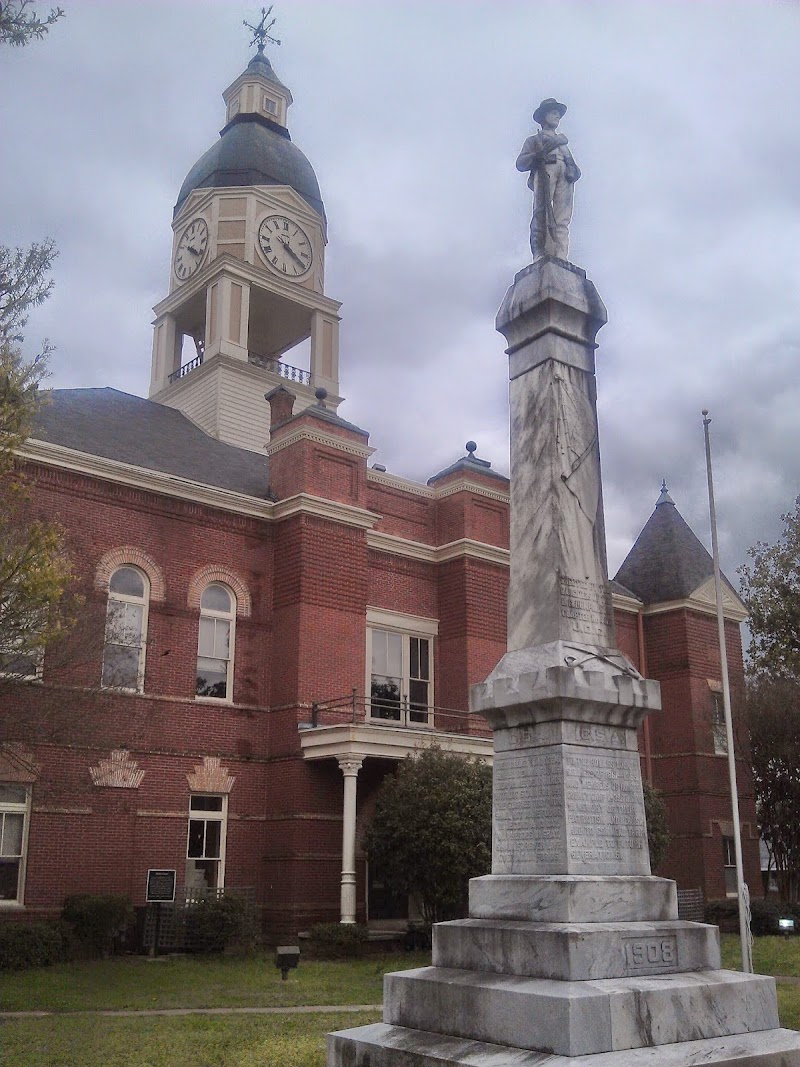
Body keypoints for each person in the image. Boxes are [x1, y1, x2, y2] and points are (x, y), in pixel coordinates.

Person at [516, 98, 581, 261]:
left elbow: (575, 169)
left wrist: (572, 171)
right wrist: (538, 155)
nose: (557, 116)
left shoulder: (563, 145)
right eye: (553, 112)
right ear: (544, 116)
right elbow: (521, 163)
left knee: (563, 218)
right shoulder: (534, 140)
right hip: (545, 172)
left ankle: (561, 254)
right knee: (541, 212)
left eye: (558, 113)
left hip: (565, 176)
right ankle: (539, 251)